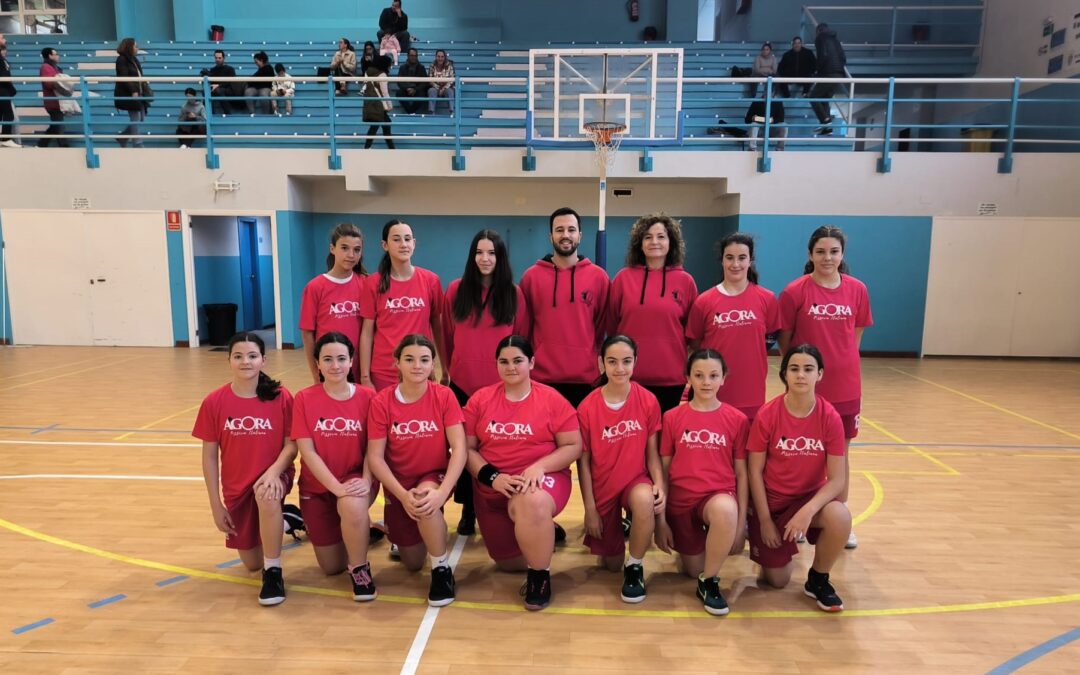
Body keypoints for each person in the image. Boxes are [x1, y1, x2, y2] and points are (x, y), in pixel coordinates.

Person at [464, 335, 583, 610]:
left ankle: (540, 578)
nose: (511, 367)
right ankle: (542, 529)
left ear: (531, 362)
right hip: (495, 486)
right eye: (504, 362)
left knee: (532, 501)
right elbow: (467, 450)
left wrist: (539, 466)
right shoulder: (481, 400)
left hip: (541, 480)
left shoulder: (551, 399)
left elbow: (574, 445)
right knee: (508, 564)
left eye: (518, 360)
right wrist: (494, 478)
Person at [778, 225, 871, 549]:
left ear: (842, 255)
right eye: (821, 251)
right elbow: (787, 342)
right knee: (803, 453)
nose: (827, 258)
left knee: (840, 454)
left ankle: (838, 513)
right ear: (810, 254)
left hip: (845, 387)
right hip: (806, 389)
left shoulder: (857, 290)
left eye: (833, 252)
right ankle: (803, 515)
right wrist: (804, 374)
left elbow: (854, 337)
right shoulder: (795, 292)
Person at [193, 332, 297, 606]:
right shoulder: (214, 402)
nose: (245, 362)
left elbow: (292, 446)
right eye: (238, 356)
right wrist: (216, 505)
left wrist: (274, 472)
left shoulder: (281, 397)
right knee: (251, 563)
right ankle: (288, 519)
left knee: (266, 495)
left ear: (263, 360)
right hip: (237, 486)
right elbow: (210, 457)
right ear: (229, 360)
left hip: (275, 475)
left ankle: (273, 572)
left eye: (252, 356)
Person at [747, 344, 851, 612]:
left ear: (820, 374)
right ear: (784, 375)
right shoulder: (768, 415)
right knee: (778, 580)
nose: (801, 375)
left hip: (808, 499)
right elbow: (754, 471)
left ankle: (818, 578)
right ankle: (761, 537)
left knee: (840, 515)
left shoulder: (830, 418)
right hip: (773, 504)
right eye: (794, 369)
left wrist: (808, 510)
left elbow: (837, 480)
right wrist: (766, 520)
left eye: (808, 369)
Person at [366, 334, 467, 606]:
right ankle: (413, 535)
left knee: (425, 501)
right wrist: (400, 495)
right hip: (399, 483)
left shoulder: (444, 396)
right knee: (411, 563)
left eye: (424, 360)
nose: (417, 366)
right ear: (396, 362)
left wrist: (443, 491)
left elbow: (459, 449)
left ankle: (441, 569)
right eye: (409, 359)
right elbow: (375, 457)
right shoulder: (382, 402)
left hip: (434, 476)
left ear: (433, 363)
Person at [443, 229, 529, 535]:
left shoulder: (514, 294)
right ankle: (467, 507)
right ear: (472, 256)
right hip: (463, 386)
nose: (485, 258)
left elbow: (521, 337)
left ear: (500, 257)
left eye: (492, 253)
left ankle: (495, 505)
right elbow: (446, 335)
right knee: (463, 450)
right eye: (480, 252)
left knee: (494, 450)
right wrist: (448, 370)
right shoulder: (455, 290)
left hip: (498, 390)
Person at [654, 349, 749, 616]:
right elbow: (663, 468)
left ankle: (709, 582)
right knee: (691, 569)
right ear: (688, 378)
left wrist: (740, 524)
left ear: (723, 379)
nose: (706, 382)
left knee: (725, 510)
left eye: (713, 375)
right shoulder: (672, 417)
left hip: (716, 496)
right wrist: (661, 522)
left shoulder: (737, 420)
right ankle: (701, 562)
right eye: (699, 375)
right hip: (681, 503)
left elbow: (742, 474)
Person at [291, 332, 380, 601]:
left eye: (341, 358)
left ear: (351, 361)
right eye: (327, 359)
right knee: (331, 567)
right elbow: (307, 452)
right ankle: (360, 529)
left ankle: (360, 568)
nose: (335, 366)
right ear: (317, 363)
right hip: (319, 488)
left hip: (355, 478)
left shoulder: (368, 397)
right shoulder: (304, 399)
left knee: (352, 504)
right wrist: (336, 488)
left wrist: (365, 481)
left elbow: (373, 449)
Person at [577, 335, 664, 603]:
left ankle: (635, 565)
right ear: (601, 364)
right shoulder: (587, 407)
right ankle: (620, 529)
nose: (620, 369)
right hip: (604, 486)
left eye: (626, 361)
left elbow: (652, 454)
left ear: (635, 362)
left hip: (635, 480)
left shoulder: (648, 401)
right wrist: (590, 509)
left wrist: (658, 484)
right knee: (610, 564)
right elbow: (583, 463)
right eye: (612, 362)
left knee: (644, 498)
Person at [520, 207, 610, 408]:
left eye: (571, 229)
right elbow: (525, 329)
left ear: (580, 235)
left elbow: (601, 325)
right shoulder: (530, 277)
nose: (566, 235)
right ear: (550, 235)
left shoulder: (599, 278)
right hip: (542, 378)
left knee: (582, 438)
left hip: (585, 378)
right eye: (559, 230)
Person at [607, 213, 698, 412]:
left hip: (671, 378)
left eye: (661, 236)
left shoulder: (685, 281)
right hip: (629, 376)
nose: (654, 242)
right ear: (639, 243)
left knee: (664, 438)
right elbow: (612, 325)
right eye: (648, 237)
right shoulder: (623, 278)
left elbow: (692, 331)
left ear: (671, 242)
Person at [686, 233, 779, 423]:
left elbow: (770, 336)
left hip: (751, 392)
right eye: (729, 258)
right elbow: (695, 343)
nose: (735, 264)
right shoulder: (704, 301)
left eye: (742, 258)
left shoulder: (767, 298)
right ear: (722, 260)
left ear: (750, 260)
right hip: (714, 393)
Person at [358, 219, 445, 392]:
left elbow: (437, 328)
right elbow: (367, 333)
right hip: (384, 372)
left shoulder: (431, 281)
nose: (403, 244)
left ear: (414, 243)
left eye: (407, 239)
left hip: (420, 369)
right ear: (385, 245)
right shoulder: (372, 283)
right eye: (396, 239)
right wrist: (365, 377)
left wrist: (442, 368)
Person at [299, 223, 367, 385]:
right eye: (344, 248)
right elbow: (308, 334)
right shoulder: (315, 287)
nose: (351, 255)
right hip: (331, 368)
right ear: (332, 248)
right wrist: (316, 373)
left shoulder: (366, 283)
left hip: (360, 368)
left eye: (356, 250)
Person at [809, 23, 847, 134]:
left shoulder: (820, 38)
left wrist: (817, 71)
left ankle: (825, 120)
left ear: (818, 31)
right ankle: (827, 128)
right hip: (839, 74)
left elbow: (823, 55)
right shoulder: (836, 40)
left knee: (813, 97)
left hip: (828, 73)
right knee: (824, 98)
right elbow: (843, 58)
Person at [113, 37, 150, 147]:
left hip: (139, 92)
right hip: (129, 93)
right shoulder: (122, 59)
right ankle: (138, 144)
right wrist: (133, 90)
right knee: (135, 118)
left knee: (141, 118)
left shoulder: (135, 60)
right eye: (135, 46)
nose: (137, 48)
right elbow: (123, 76)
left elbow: (139, 76)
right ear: (129, 47)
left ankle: (123, 137)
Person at [37, 47, 68, 147]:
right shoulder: (46, 67)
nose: (58, 56)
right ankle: (63, 146)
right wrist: (59, 81)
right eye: (56, 54)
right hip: (53, 102)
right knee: (58, 125)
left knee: (56, 125)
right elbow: (48, 83)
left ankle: (42, 144)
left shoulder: (55, 68)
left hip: (57, 101)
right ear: (50, 55)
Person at [362, 55, 395, 149]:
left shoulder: (368, 72)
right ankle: (391, 149)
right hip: (379, 105)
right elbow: (385, 92)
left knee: (382, 125)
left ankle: (391, 148)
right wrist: (390, 105)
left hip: (371, 102)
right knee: (379, 126)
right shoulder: (382, 75)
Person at [205, 49, 238, 115]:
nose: (217, 60)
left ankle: (227, 113)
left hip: (228, 89)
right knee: (205, 91)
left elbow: (232, 82)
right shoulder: (213, 70)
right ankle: (210, 114)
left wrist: (219, 85)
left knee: (218, 90)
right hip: (216, 89)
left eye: (219, 58)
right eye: (216, 58)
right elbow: (212, 82)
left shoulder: (230, 69)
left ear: (223, 58)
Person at [396, 48, 427, 114]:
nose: (413, 57)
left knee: (423, 94)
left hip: (417, 90)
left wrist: (415, 89)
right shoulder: (402, 67)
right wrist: (407, 88)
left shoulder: (421, 67)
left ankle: (410, 112)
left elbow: (424, 83)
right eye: (412, 55)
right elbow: (399, 82)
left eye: (415, 56)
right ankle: (411, 112)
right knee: (399, 93)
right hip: (406, 90)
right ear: (408, 56)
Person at [0, 38, 19, 147]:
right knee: (8, 114)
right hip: (2, 89)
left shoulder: (4, 61)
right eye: (3, 49)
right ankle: (6, 138)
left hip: (5, 89)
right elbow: (5, 76)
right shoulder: (1, 60)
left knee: (3, 114)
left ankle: (4, 138)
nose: (5, 51)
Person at [427, 49, 454, 115]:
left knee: (450, 91)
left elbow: (451, 80)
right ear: (436, 57)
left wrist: (443, 89)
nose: (440, 58)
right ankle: (432, 112)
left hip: (446, 87)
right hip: (435, 87)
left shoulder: (449, 66)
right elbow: (430, 80)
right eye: (438, 56)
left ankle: (451, 112)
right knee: (431, 91)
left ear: (444, 57)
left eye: (442, 57)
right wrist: (438, 89)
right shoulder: (432, 65)